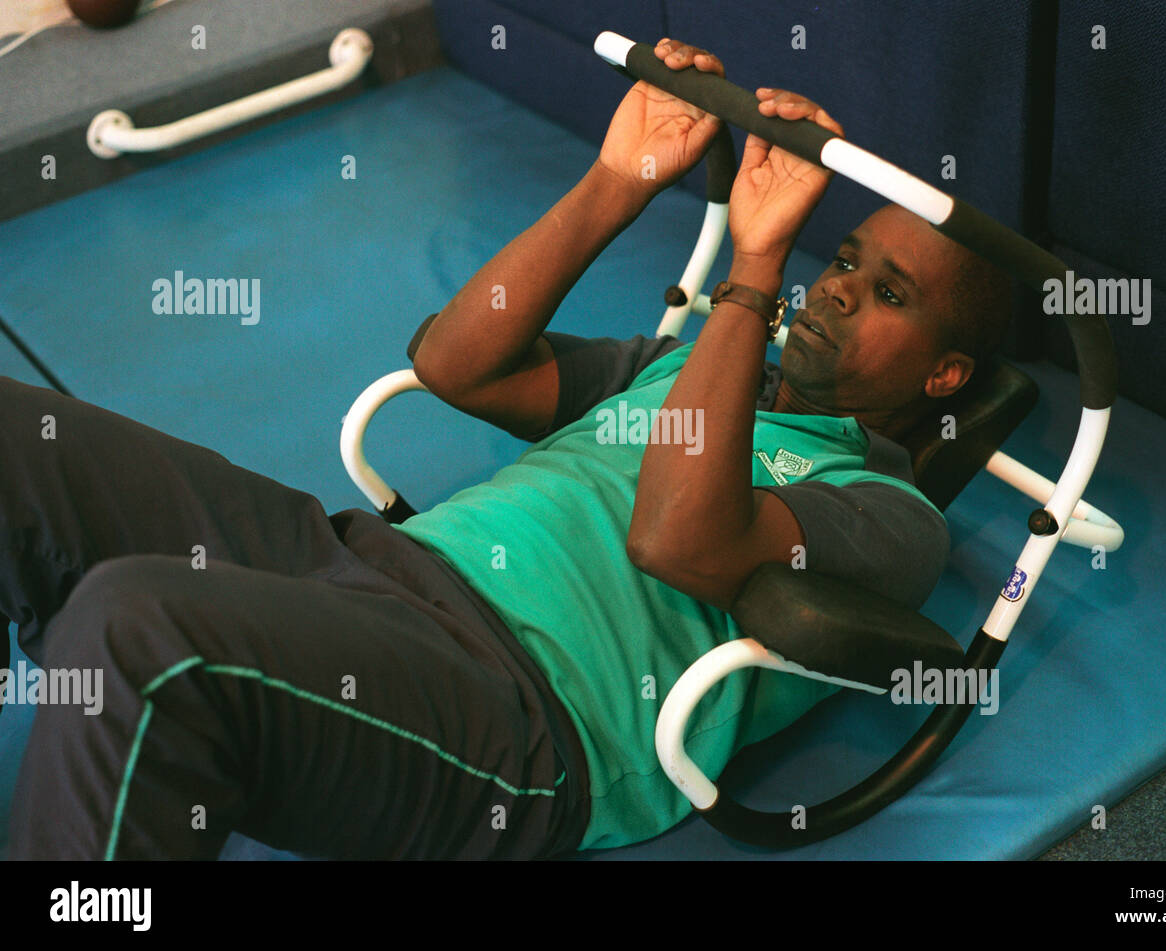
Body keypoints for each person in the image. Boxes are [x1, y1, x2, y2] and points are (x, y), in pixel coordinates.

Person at [0, 38, 1011, 860]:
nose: (832, 288)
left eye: (888, 295)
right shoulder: (680, 368)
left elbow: (674, 539)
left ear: (944, 376)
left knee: (138, 632)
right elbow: (457, 361)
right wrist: (616, 181)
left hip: (509, 715)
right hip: (362, 566)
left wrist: (753, 269)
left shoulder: (889, 514)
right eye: (841, 259)